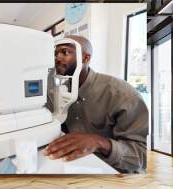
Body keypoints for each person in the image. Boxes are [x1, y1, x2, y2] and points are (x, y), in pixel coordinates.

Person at [44, 35, 148, 173]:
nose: (57, 58)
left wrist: (99, 142)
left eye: (65, 52)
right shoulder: (58, 93)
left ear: (86, 58)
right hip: (79, 167)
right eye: (55, 54)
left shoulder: (122, 95)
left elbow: (141, 158)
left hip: (117, 174)